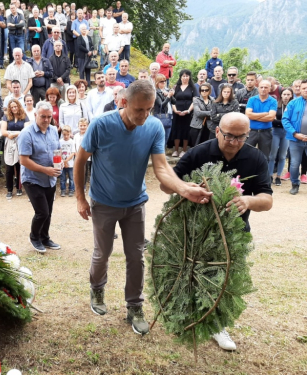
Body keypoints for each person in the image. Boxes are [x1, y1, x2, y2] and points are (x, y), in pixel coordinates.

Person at [74, 80, 212, 335]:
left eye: (149, 109)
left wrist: (183, 188)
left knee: (136, 257)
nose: (145, 115)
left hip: (135, 204)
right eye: (140, 110)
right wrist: (80, 198)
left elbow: (161, 166)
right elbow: (80, 160)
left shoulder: (153, 127)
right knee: (102, 253)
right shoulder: (101, 125)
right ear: (123, 102)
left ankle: (134, 306)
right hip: (103, 202)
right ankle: (97, 288)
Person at [166, 112, 273, 350]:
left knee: (223, 279)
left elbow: (267, 199)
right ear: (217, 131)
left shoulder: (255, 158)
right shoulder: (199, 153)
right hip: (195, 230)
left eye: (241, 137)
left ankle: (216, 324)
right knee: (190, 272)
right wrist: (185, 187)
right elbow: (167, 183)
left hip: (232, 233)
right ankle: (183, 314)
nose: (234, 142)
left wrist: (248, 201)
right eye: (229, 136)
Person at [18, 101, 62, 253]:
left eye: (49, 117)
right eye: (43, 116)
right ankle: (34, 237)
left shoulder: (54, 130)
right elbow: (23, 160)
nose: (46, 120)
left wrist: (59, 164)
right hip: (33, 179)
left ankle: (45, 237)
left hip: (50, 177)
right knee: (42, 212)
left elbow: (57, 151)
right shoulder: (26, 134)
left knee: (48, 211)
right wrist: (46, 170)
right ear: (35, 114)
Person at [281, 79, 307, 195]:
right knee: (295, 163)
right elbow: (285, 120)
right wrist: (295, 134)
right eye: (304, 88)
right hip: (295, 139)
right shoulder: (293, 103)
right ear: (299, 90)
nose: (306, 90)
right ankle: (295, 184)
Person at [1, 99, 30, 199]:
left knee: (19, 165)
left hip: (20, 142)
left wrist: (15, 133)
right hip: (9, 142)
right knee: (9, 167)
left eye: (15, 106)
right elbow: (3, 131)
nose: (14, 108)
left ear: (19, 106)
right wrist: (10, 134)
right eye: (12, 107)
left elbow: (26, 129)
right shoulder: (6, 117)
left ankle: (19, 187)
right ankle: (9, 189)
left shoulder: (24, 116)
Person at [245, 79, 277, 161]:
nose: (263, 89)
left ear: (270, 89)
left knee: (264, 157)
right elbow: (248, 115)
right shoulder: (252, 99)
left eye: (266, 87)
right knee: (246, 154)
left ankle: (262, 174)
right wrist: (265, 114)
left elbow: (271, 117)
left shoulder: (273, 101)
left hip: (266, 132)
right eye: (261, 87)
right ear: (258, 88)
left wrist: (254, 116)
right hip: (252, 132)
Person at [269, 87, 293, 186]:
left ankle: (278, 176)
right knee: (272, 155)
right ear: (281, 95)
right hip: (275, 132)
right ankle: (270, 175)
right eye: (284, 94)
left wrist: (281, 123)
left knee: (283, 156)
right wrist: (285, 123)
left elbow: (294, 122)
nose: (286, 97)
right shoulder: (276, 105)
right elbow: (273, 121)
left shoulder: (293, 106)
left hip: (287, 133)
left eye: (288, 94)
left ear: (291, 96)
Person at [171, 69, 197, 157]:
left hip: (188, 112)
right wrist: (175, 110)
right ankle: (176, 150)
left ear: (189, 77)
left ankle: (184, 150)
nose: (185, 77)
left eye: (187, 76)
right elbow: (171, 100)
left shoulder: (192, 88)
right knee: (176, 130)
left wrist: (188, 111)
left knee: (186, 131)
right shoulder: (176, 87)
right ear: (180, 77)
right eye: (183, 76)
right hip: (177, 112)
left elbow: (195, 101)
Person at [189, 82, 214, 146]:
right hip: (197, 126)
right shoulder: (196, 100)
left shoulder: (213, 100)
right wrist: (210, 112)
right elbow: (198, 113)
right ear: (200, 91)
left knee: (206, 146)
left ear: (209, 91)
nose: (204, 92)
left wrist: (203, 112)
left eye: (206, 90)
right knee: (196, 145)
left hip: (209, 127)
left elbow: (215, 112)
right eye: (202, 90)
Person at [153, 74, 174, 146]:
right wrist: (168, 96)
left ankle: (163, 153)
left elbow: (174, 102)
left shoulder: (167, 90)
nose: (164, 83)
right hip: (160, 116)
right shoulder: (156, 92)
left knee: (166, 136)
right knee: (159, 137)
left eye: (165, 81)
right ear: (157, 82)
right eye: (161, 81)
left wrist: (170, 94)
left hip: (169, 116)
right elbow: (161, 105)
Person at [59, 125, 76, 196]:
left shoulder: (72, 142)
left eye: (68, 135)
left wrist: (66, 161)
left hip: (70, 163)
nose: (66, 136)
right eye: (64, 135)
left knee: (71, 178)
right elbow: (59, 152)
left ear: (70, 133)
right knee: (62, 178)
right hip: (62, 163)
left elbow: (73, 153)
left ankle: (71, 189)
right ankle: (63, 190)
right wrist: (63, 161)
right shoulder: (60, 141)